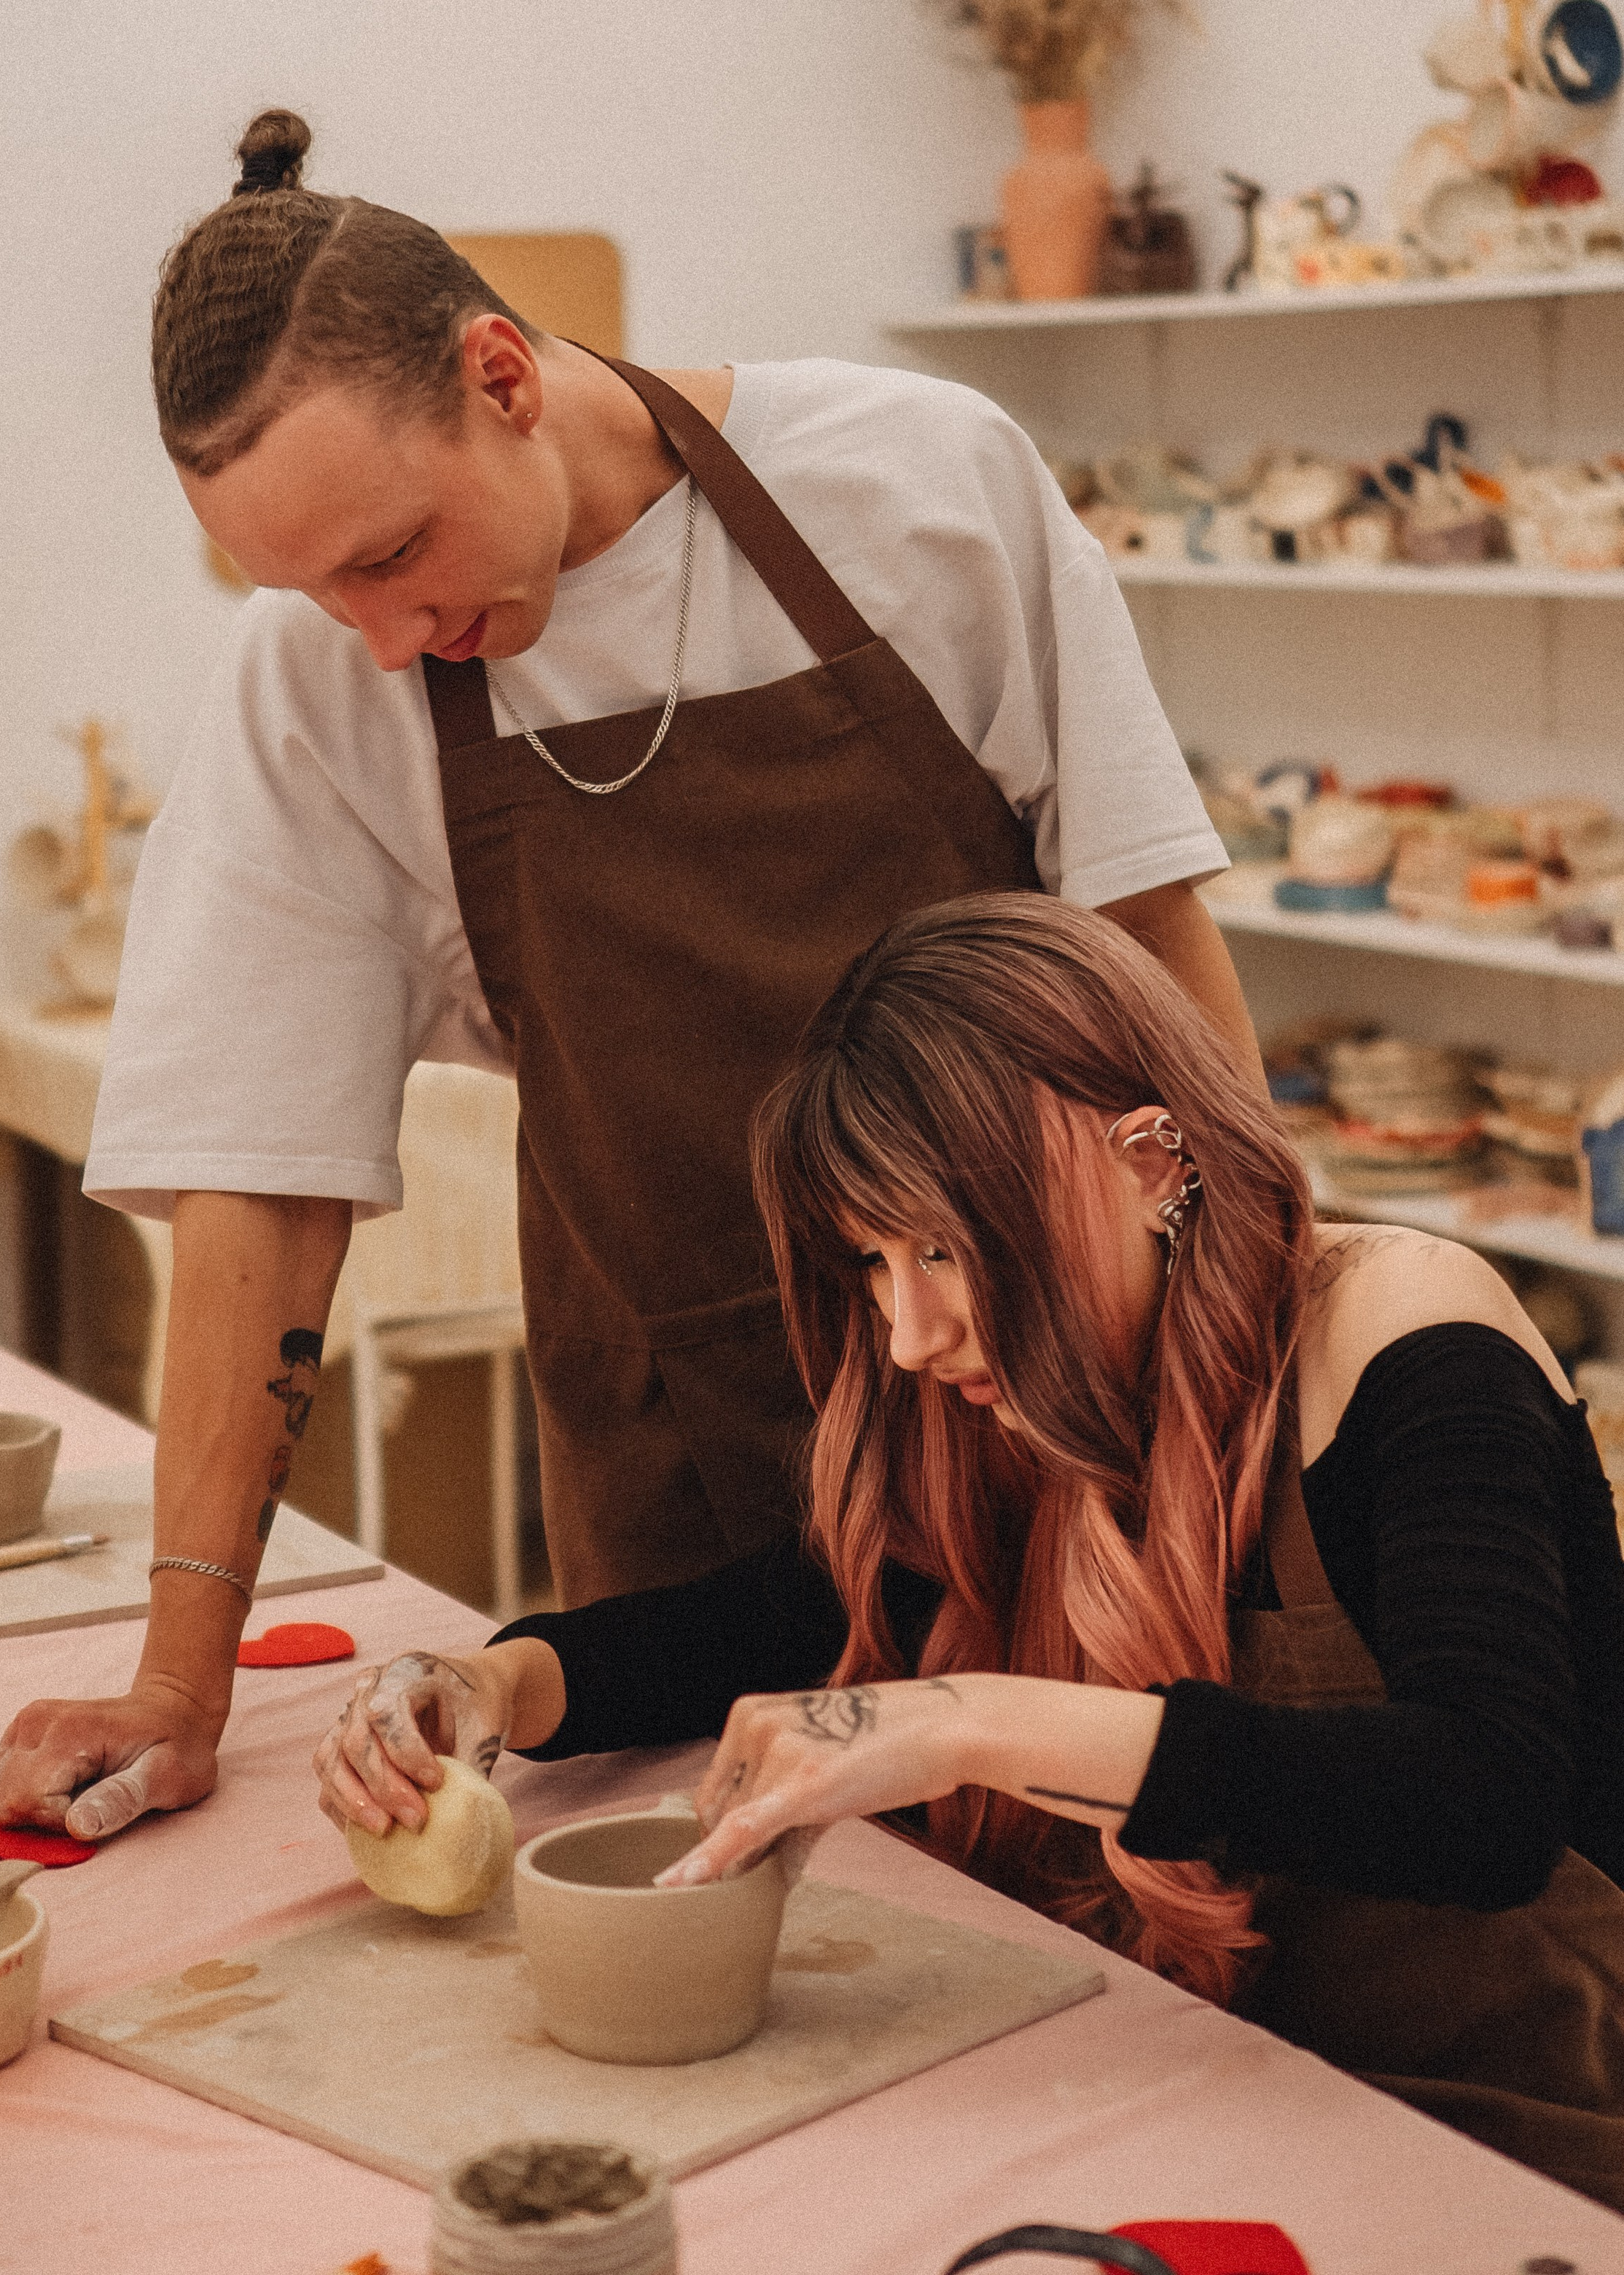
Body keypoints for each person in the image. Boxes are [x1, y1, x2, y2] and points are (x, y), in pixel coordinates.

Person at [0, 107, 1252, 1844]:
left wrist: (1265, 1394)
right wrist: (178, 1683)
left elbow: (1151, 949)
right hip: (695, 1492)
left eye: (388, 555)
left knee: (1145, 1937)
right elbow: (260, 1193)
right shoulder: (321, 692)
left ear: (500, 373)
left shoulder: (918, 485)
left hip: (1063, 1404)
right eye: (306, 590)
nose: (373, 635)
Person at [317, 894, 1624, 2213]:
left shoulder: (1406, 1334)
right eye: (876, 1261)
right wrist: (494, 1685)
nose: (909, 1333)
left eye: (944, 1247)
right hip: (1247, 2095)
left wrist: (974, 1722)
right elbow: (777, 1617)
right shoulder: (1047, 1376)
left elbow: (1487, 1795)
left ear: (1155, 1159)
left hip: (1517, 2143)